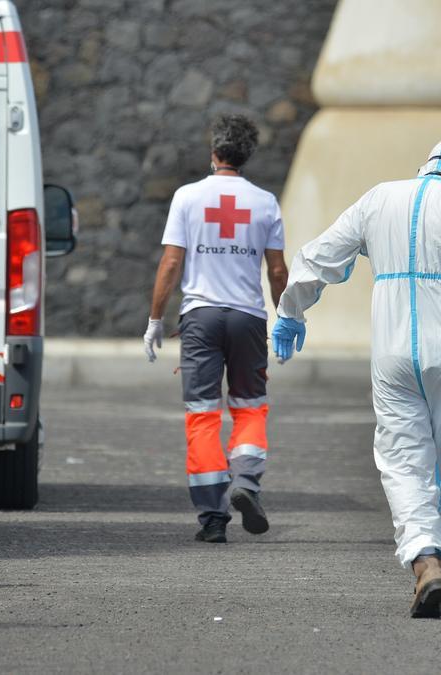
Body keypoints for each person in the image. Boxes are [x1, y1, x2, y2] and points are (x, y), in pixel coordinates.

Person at [272, 138, 441, 618]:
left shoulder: (379, 197)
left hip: (391, 350)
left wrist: (291, 311)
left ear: (425, 167)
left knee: (402, 460)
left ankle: (424, 561)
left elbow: (319, 256)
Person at [144, 114, 289, 544]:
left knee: (203, 416)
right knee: (250, 407)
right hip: (248, 318)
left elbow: (171, 263)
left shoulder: (188, 197)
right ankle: (245, 479)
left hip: (201, 319)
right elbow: (277, 269)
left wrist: (155, 319)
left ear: (214, 152)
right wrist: (288, 316)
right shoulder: (264, 201)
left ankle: (212, 518)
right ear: (247, 155)